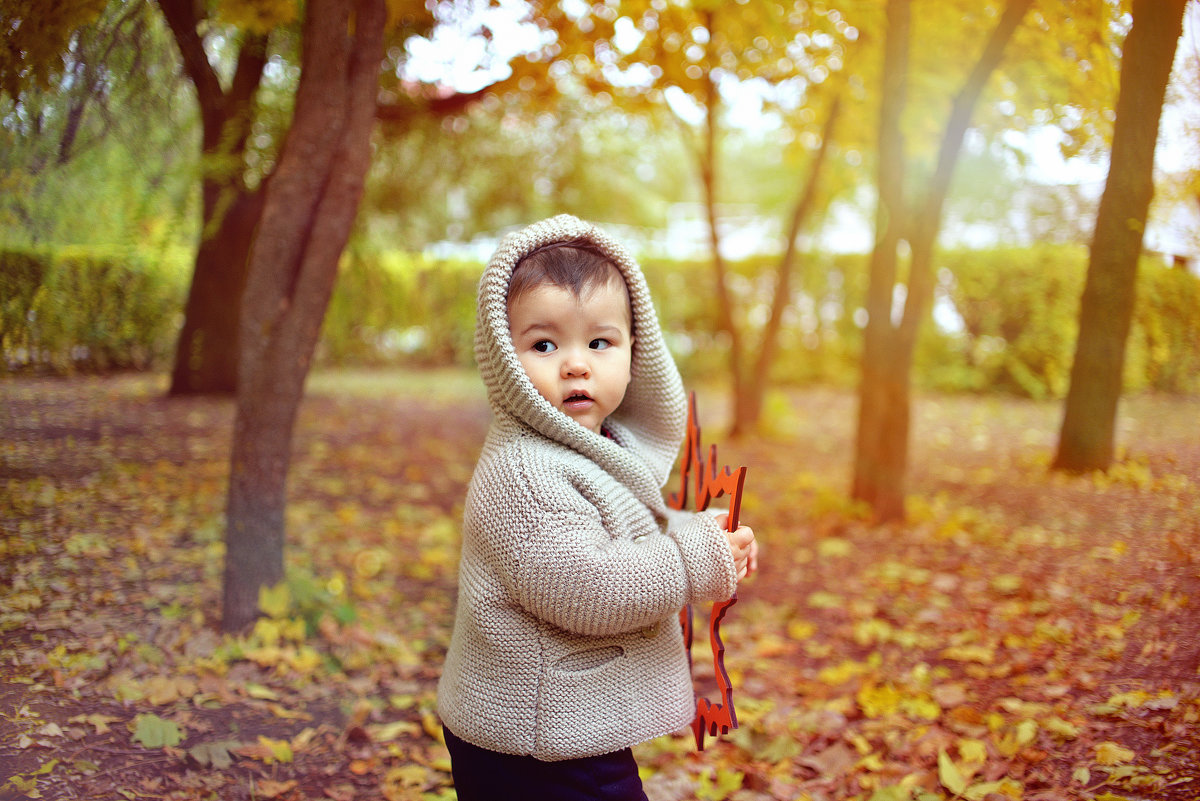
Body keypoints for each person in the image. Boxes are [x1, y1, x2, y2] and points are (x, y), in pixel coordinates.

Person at [436, 214, 758, 801]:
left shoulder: (596, 445)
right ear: (504, 358)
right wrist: (694, 558)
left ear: (636, 353)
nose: (576, 363)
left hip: (566, 722)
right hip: (534, 743)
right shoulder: (524, 475)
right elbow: (590, 586)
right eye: (544, 344)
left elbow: (622, 531)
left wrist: (705, 535)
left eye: (599, 342)